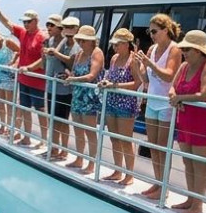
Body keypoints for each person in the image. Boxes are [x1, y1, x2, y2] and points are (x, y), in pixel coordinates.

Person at [168, 30, 206, 213]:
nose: (184, 52)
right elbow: (172, 86)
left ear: (200, 51)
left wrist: (179, 99)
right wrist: (173, 96)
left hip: (204, 121)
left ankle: (197, 205)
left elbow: (204, 95)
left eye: (188, 49)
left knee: (199, 163)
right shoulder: (184, 66)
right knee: (187, 161)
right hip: (186, 118)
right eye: (183, 48)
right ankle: (190, 199)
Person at [132, 14, 183, 200]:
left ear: (165, 30)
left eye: (154, 31)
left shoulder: (174, 49)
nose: (151, 35)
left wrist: (149, 63)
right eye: (149, 31)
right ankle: (158, 181)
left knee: (163, 147)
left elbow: (169, 75)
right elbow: (146, 79)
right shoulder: (152, 49)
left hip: (166, 104)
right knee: (153, 146)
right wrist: (139, 65)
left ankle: (164, 186)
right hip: (152, 102)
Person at [0, 0, 49, 149]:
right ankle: (26, 137)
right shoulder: (22, 33)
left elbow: (44, 61)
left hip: (37, 81)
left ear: (36, 21)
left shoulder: (42, 37)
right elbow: (8, 23)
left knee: (41, 111)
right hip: (23, 80)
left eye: (28, 22)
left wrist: (29, 68)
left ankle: (44, 140)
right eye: (24, 22)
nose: (25, 24)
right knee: (24, 109)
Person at [98, 28, 148, 185]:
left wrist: (114, 85)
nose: (115, 47)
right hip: (112, 101)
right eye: (114, 44)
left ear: (127, 44)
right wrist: (105, 83)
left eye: (118, 44)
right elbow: (109, 76)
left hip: (126, 104)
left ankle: (129, 174)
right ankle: (118, 170)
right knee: (114, 139)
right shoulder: (114, 58)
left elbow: (137, 83)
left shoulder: (133, 60)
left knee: (126, 140)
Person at [65, 25, 105, 175]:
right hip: (77, 96)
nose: (80, 43)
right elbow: (75, 72)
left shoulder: (97, 53)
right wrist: (68, 76)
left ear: (91, 41)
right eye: (79, 40)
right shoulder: (79, 54)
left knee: (90, 132)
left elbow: (91, 76)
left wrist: (73, 79)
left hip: (90, 97)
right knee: (78, 130)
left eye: (83, 40)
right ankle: (79, 158)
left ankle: (91, 164)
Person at [41, 14, 73, 160]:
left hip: (64, 89)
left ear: (60, 28)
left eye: (51, 25)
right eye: (48, 25)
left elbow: (71, 64)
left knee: (62, 121)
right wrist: (44, 53)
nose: (48, 28)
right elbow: (44, 64)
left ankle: (64, 150)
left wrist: (56, 53)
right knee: (52, 119)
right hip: (50, 87)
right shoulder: (49, 41)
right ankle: (53, 148)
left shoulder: (67, 43)